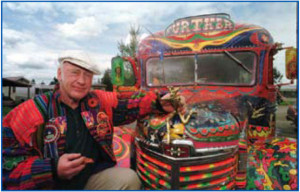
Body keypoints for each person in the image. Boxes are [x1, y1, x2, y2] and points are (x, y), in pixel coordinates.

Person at [2, 50, 185, 190]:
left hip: (91, 179)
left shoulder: (98, 101)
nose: (82, 81)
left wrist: (161, 102)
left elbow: (133, 103)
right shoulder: (29, 112)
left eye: (88, 75)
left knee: (129, 179)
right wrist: (52, 169)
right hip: (49, 186)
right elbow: (7, 168)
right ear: (60, 74)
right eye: (74, 72)